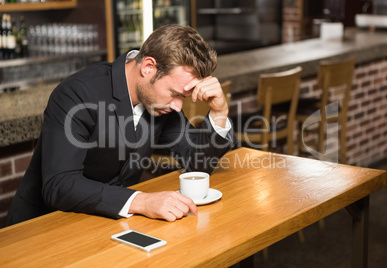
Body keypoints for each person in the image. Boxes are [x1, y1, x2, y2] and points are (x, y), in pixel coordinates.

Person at [6, 25, 235, 226]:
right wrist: (141, 200)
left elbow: (198, 164)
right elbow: (60, 185)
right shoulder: (79, 92)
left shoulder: (163, 103)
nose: (178, 106)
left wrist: (219, 112)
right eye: (175, 94)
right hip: (43, 226)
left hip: (105, 223)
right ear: (148, 67)